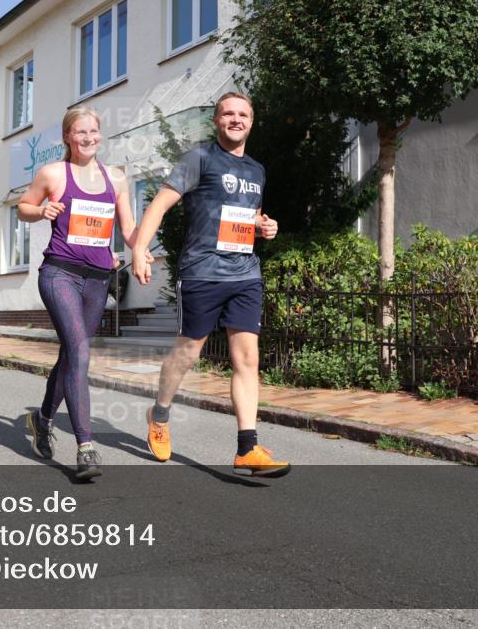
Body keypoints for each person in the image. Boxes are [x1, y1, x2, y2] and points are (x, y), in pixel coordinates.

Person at [131, 92, 290, 477]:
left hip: (245, 274)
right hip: (202, 272)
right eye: (228, 114)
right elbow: (159, 204)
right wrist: (138, 248)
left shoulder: (256, 170)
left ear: (252, 122)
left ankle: (246, 448)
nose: (236, 119)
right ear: (217, 121)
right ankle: (160, 413)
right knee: (188, 354)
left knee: (247, 359)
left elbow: (244, 217)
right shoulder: (198, 159)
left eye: (243, 114)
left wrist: (264, 225)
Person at [17, 106, 149, 480]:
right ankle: (86, 447)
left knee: (72, 354)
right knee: (80, 351)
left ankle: (42, 419)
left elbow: (128, 229)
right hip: (59, 273)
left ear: (100, 135)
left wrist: (139, 249)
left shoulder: (117, 178)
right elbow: (23, 206)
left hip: (96, 279)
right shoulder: (54, 173)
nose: (88, 138)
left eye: (93, 131)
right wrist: (41, 211)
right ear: (67, 138)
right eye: (80, 132)